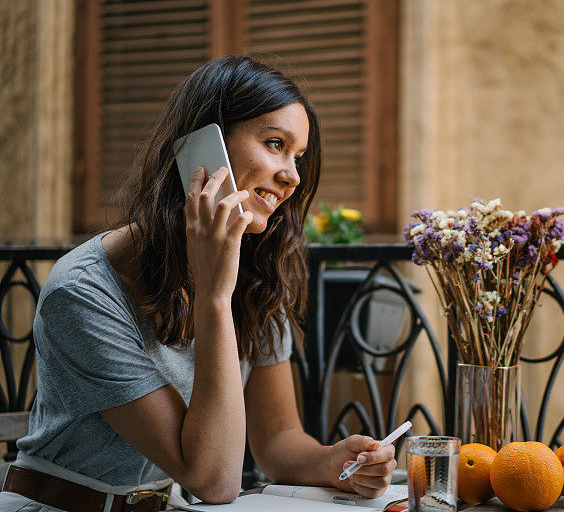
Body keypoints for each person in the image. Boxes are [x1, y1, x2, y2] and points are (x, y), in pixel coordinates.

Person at [0, 55, 397, 511]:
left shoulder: (253, 271)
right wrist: (214, 296)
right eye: (274, 144)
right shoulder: (82, 292)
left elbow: (277, 439)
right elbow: (212, 478)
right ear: (202, 147)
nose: (292, 177)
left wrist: (334, 463)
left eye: (299, 156)